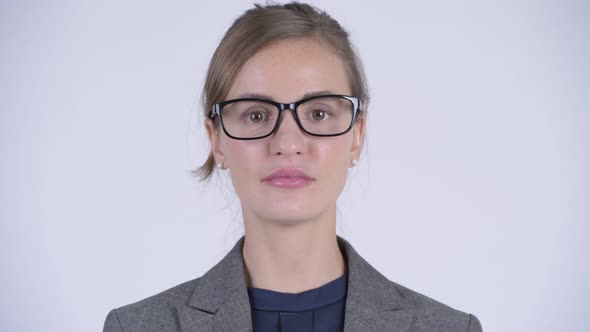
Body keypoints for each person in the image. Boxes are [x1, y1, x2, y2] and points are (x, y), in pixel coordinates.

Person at [103, 2, 482, 331]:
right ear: (216, 140)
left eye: (318, 113)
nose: (286, 144)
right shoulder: (134, 327)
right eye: (255, 115)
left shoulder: (451, 328)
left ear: (356, 135)